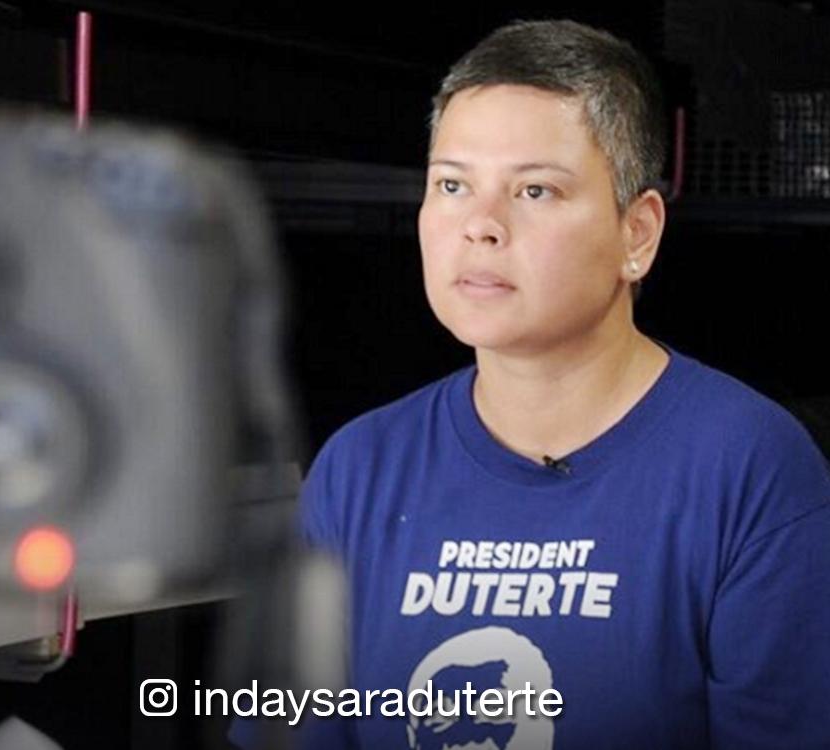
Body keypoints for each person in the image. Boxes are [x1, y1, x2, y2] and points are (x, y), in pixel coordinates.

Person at [233, 18, 830, 750]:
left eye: (536, 190)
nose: (480, 225)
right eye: (452, 184)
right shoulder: (358, 470)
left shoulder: (750, 468)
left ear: (638, 233)